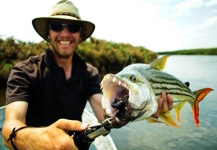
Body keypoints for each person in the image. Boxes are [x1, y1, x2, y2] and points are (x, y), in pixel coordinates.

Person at [2, 0, 173, 150]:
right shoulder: (24, 71)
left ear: (81, 35)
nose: (65, 33)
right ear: (48, 32)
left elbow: (105, 112)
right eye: (56, 26)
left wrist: (140, 106)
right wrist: (41, 140)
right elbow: (10, 127)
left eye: (73, 27)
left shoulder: (89, 72)